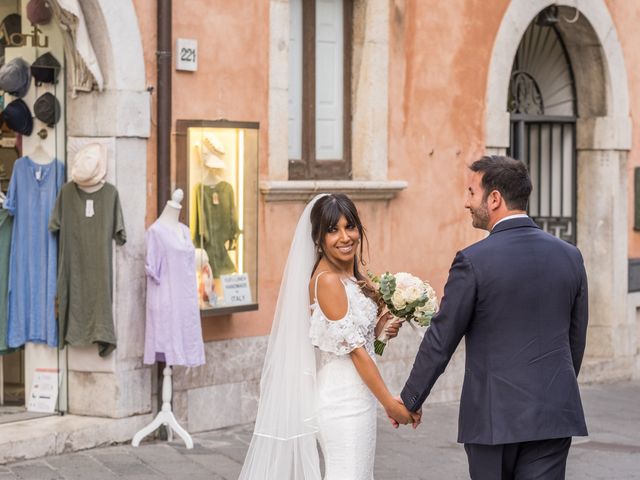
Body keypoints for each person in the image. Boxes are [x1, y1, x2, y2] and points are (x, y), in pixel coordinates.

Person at [397, 155, 589, 479]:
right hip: (554, 413)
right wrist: (556, 389)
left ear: (495, 198)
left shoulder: (472, 261)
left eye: (471, 192)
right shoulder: (570, 256)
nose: (466, 203)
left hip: (492, 418)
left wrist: (410, 399)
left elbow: (442, 339)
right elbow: (575, 338)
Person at [239, 193, 418, 480]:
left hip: (357, 396)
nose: (345, 237)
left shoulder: (351, 277)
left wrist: (382, 329)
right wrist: (391, 404)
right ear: (318, 239)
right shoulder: (328, 282)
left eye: (350, 227)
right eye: (333, 230)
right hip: (343, 401)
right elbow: (357, 353)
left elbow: (357, 341)